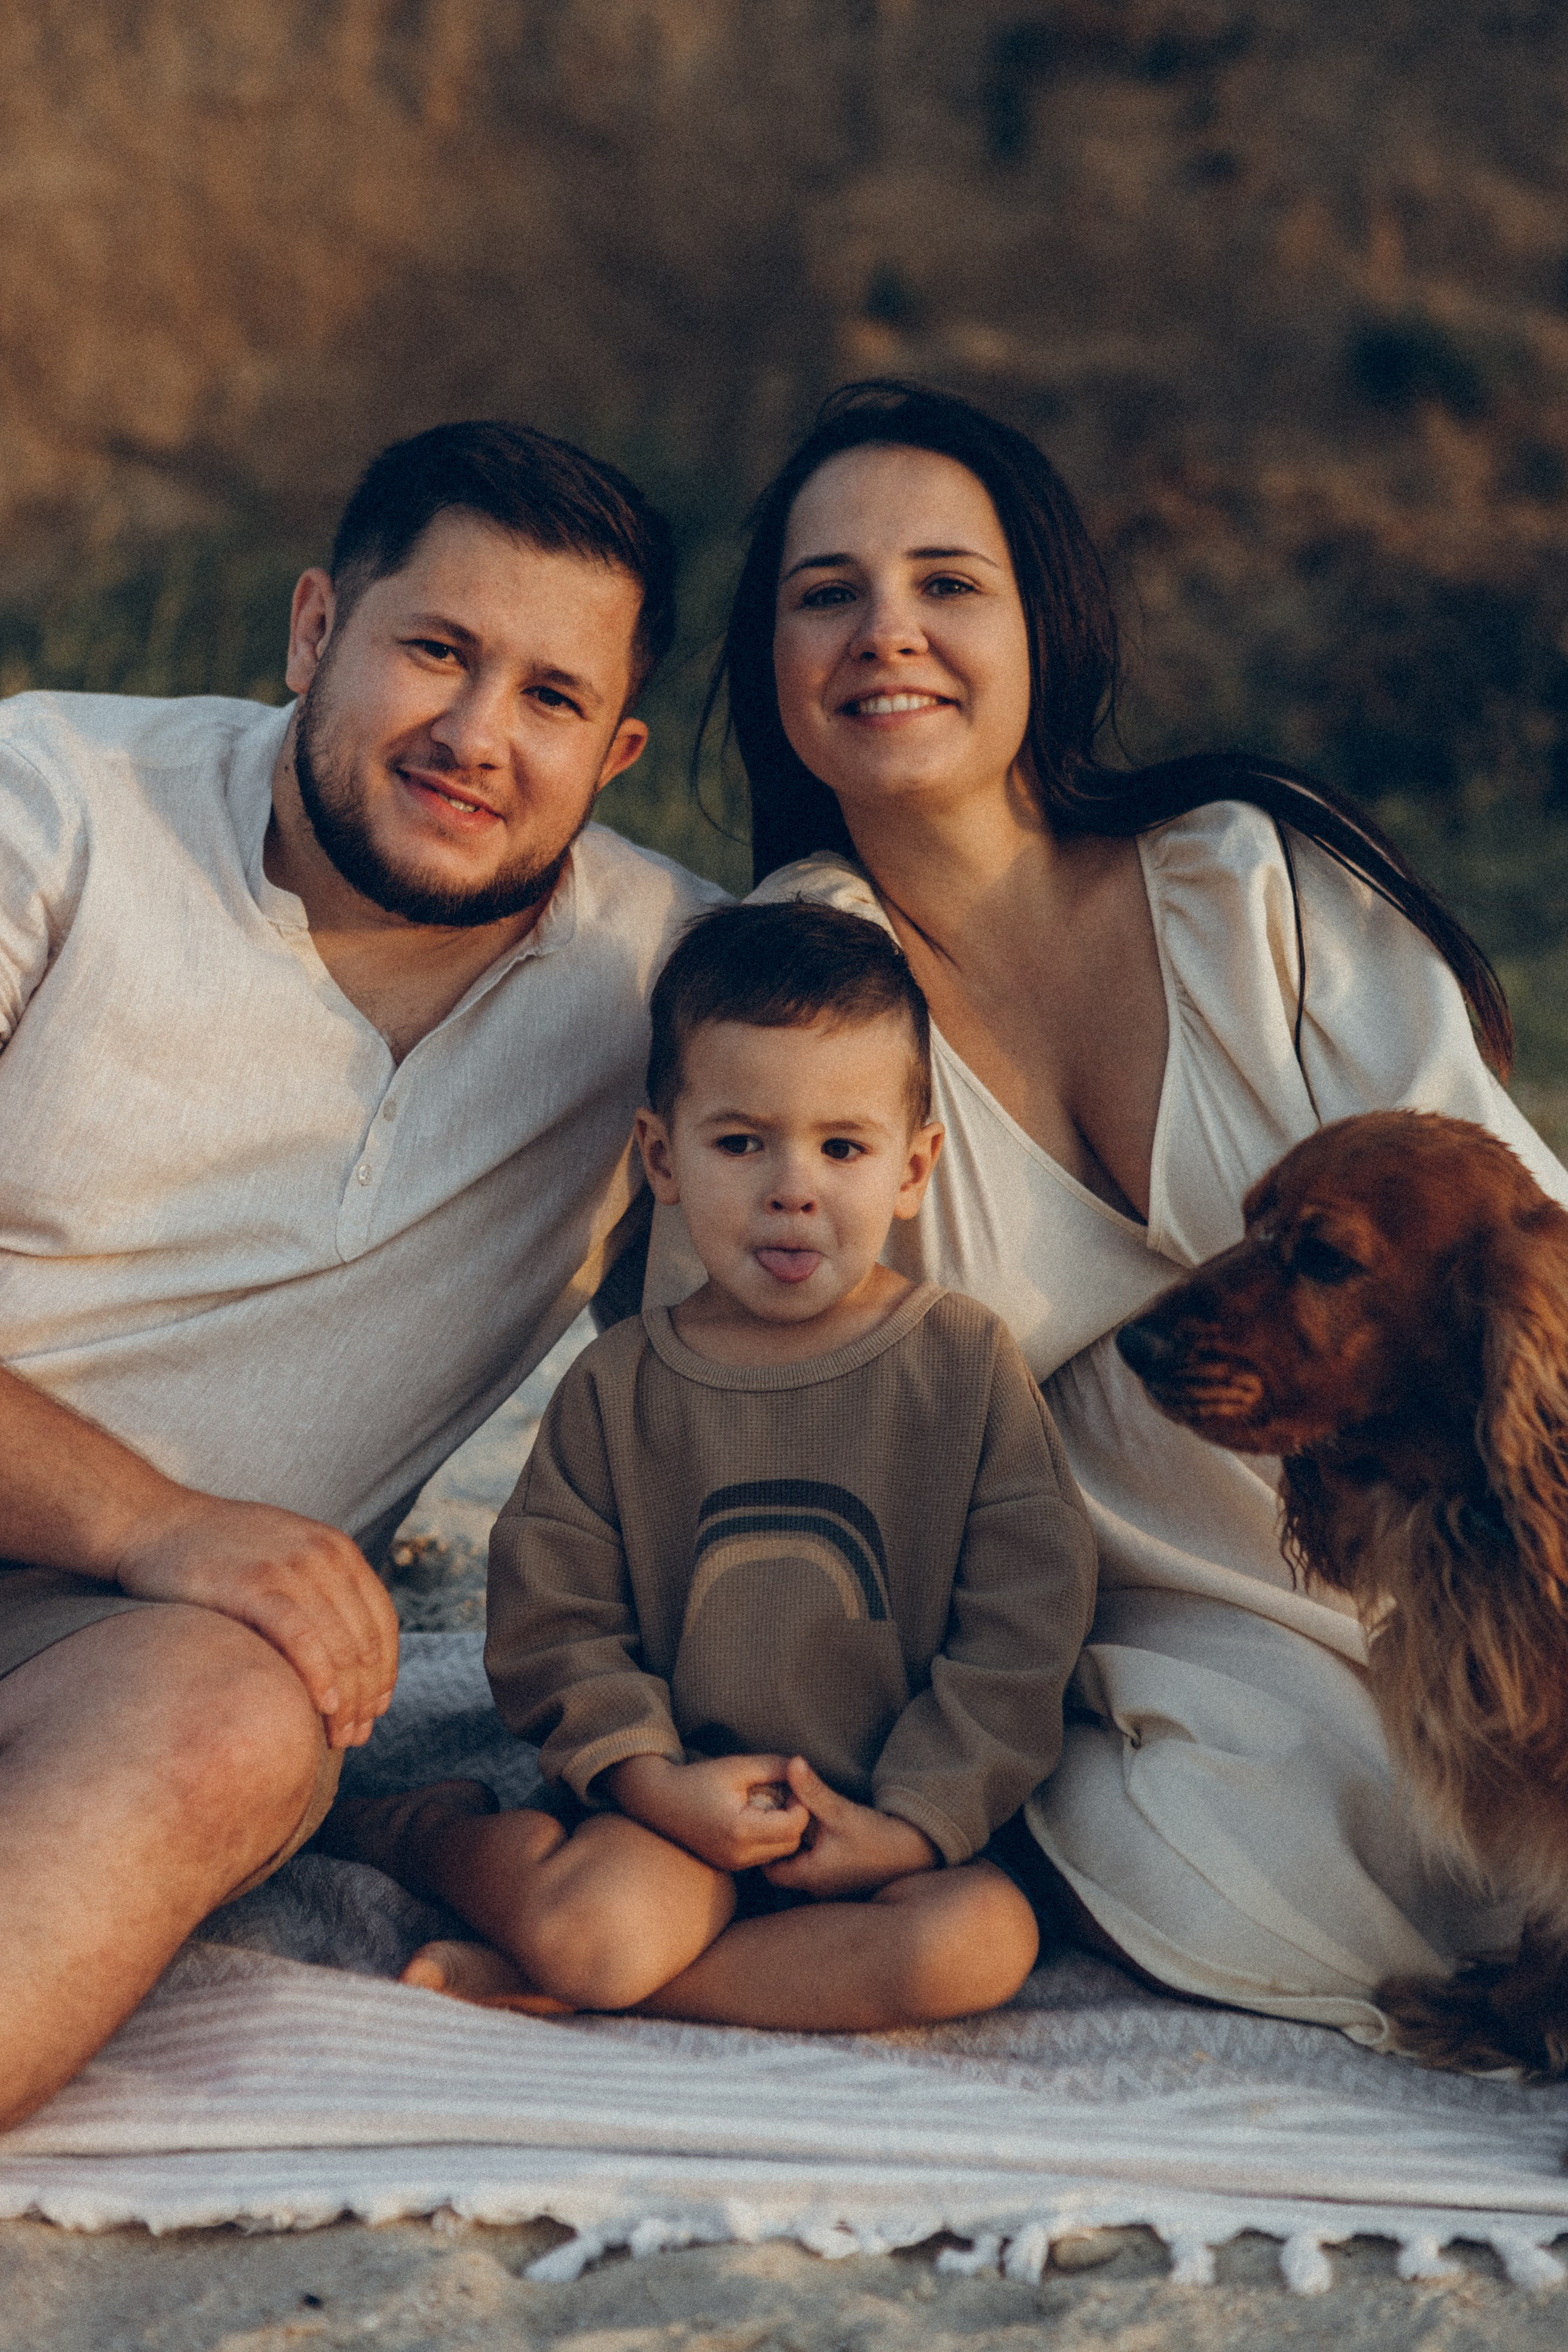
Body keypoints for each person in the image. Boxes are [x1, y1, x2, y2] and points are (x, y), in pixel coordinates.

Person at [663, 377, 1568, 2049]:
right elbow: (747, 1408)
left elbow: (1526, 1228)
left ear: (1043, 628)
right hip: (1162, 1648)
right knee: (1333, 1844)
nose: (888, 634)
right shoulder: (782, 1000)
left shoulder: (1249, 882)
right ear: (767, 663)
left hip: (1487, 1558)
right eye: (826, 594)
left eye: (948, 583)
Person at [0, 419, 725, 2127]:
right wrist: (154, 1520)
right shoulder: (58, 801)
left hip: (120, 1649)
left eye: (551, 698)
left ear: (615, 750)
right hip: (149, 1557)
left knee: (246, 1727)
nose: (477, 737)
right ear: (317, 631)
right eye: (437, 650)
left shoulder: (664, 990)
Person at [325, 901, 1098, 2029]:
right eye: (742, 1143)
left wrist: (918, 1819)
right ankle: (431, 1836)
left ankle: (583, 1989)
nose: (794, 1188)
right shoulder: (623, 1385)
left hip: (875, 1827)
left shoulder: (963, 1368)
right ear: (663, 1156)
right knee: (598, 1930)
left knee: (982, 1943)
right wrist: (654, 1783)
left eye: (843, 1147)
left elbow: (1024, 1628)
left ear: (914, 1166)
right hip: (669, 1820)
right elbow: (554, 1621)